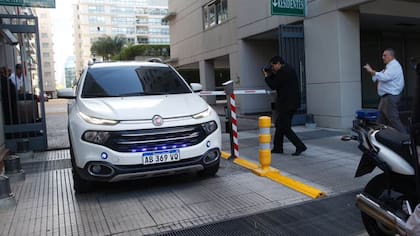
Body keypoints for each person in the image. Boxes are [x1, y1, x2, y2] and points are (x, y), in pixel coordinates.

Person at [263, 56, 307, 156]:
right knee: (279, 125)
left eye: (273, 65)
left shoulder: (283, 72)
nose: (272, 68)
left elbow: (273, 85)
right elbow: (279, 82)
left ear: (278, 63)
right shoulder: (287, 69)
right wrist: (271, 74)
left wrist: (266, 76)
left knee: (284, 127)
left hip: (287, 104)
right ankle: (278, 148)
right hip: (290, 104)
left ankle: (300, 146)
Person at [363, 48, 407, 133]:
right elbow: (378, 76)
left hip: (390, 97)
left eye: (385, 55)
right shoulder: (389, 67)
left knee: (393, 119)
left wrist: (371, 71)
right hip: (386, 97)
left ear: (391, 56)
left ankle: (406, 139)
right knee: (380, 119)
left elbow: (384, 77)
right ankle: (379, 137)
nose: (382, 57)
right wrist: (372, 72)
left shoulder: (394, 66)